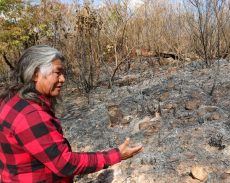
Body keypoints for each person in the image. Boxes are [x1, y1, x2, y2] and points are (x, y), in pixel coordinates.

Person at [0, 45, 143, 182]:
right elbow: (64, 163)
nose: (63, 79)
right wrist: (114, 155)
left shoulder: (11, 99)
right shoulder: (31, 115)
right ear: (36, 74)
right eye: (57, 72)